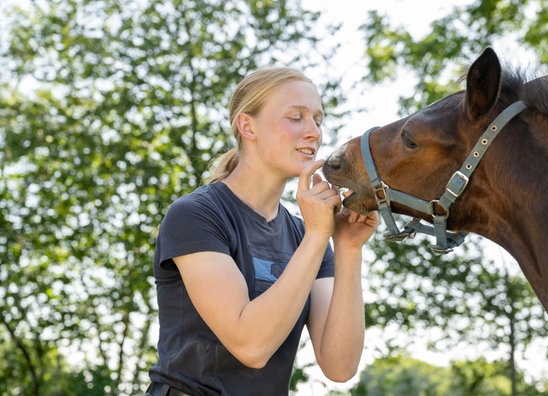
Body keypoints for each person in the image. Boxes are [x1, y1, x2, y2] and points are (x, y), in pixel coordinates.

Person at [146, 67, 378, 395]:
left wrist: (348, 248)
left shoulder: (306, 233)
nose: (313, 132)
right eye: (296, 117)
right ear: (247, 126)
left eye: (317, 119)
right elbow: (251, 346)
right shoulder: (196, 215)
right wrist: (316, 237)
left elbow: (340, 367)